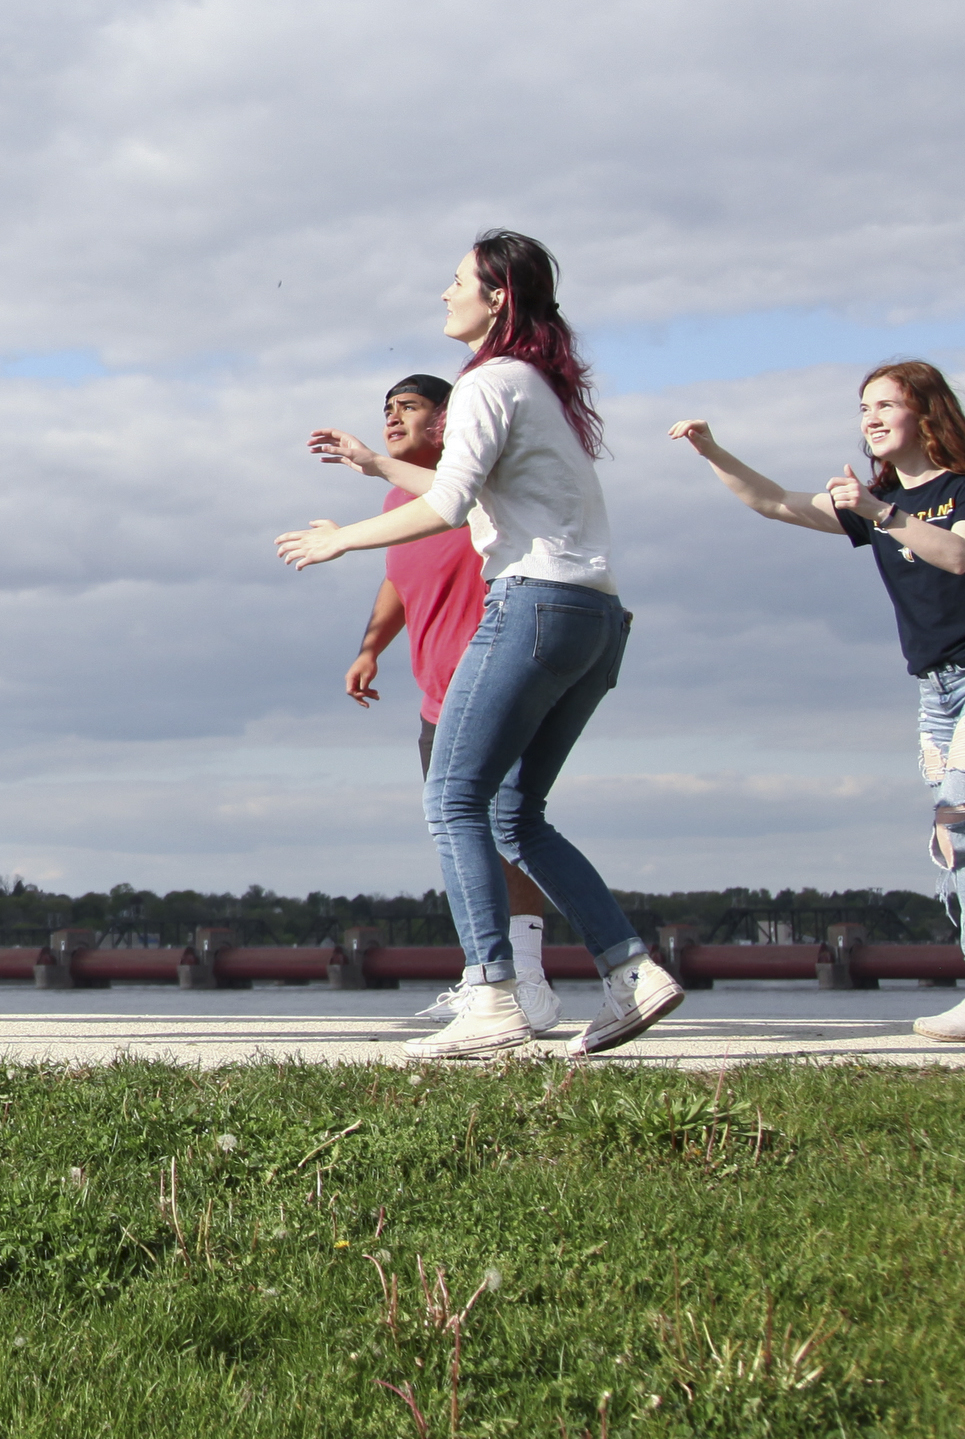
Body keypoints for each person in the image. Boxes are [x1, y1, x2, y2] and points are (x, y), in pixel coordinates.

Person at [279, 231, 685, 1060]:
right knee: (513, 814)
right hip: (594, 617)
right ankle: (632, 974)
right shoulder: (532, 384)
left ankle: (493, 993)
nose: (443, 294)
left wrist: (343, 540)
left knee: (452, 800)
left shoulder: (487, 381)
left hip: (533, 605)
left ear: (498, 297)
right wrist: (373, 470)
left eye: (456, 281)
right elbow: (472, 491)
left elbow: (454, 504)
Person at [668, 364, 965, 1041]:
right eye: (863, 407)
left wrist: (879, 512)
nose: (870, 418)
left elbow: (960, 555)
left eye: (886, 405)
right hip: (936, 692)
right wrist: (713, 452)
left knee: (961, 825)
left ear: (927, 414)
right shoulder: (875, 499)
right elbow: (773, 502)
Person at [329, 372, 562, 1036]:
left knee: (499, 827)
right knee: (462, 835)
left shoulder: (479, 485)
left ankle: (526, 984)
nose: (392, 418)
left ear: (446, 421)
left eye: (409, 407)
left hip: (493, 673)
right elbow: (398, 580)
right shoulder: (394, 503)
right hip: (438, 694)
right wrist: (370, 647)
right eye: (386, 410)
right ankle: (487, 978)